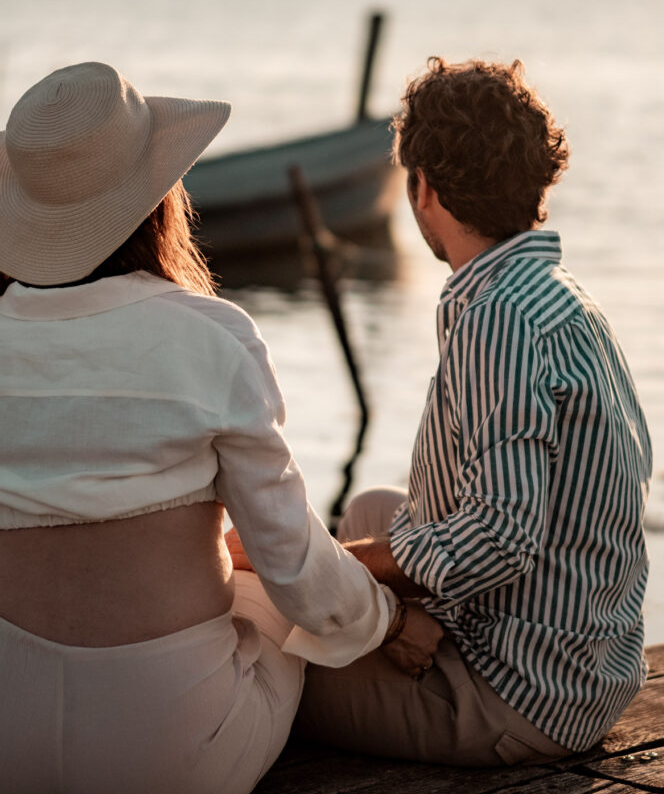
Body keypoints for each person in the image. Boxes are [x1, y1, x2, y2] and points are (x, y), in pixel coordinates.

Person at [0, 61, 441, 794]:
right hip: (169, 761)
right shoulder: (209, 337)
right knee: (268, 592)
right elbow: (295, 566)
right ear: (156, 198)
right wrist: (390, 622)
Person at [295, 57, 652, 767]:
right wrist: (406, 604)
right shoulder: (556, 295)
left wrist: (346, 571)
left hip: (521, 695)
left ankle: (410, 633)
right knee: (370, 504)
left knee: (273, 664)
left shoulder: (495, 320)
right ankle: (411, 622)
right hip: (587, 662)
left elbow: (498, 535)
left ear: (422, 188)